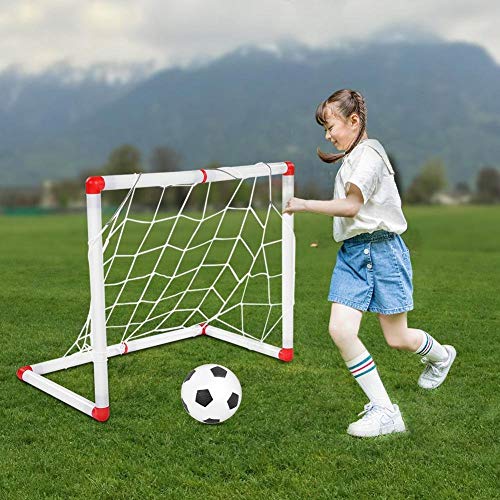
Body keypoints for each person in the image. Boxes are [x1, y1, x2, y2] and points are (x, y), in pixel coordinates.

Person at [283, 89, 456, 437]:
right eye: (324, 129)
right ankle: (385, 410)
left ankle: (441, 355)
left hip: (382, 251)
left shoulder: (370, 155)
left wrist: (303, 204)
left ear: (354, 121)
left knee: (398, 338)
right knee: (340, 330)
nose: (328, 135)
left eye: (330, 126)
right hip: (351, 254)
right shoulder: (351, 158)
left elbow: (351, 207)